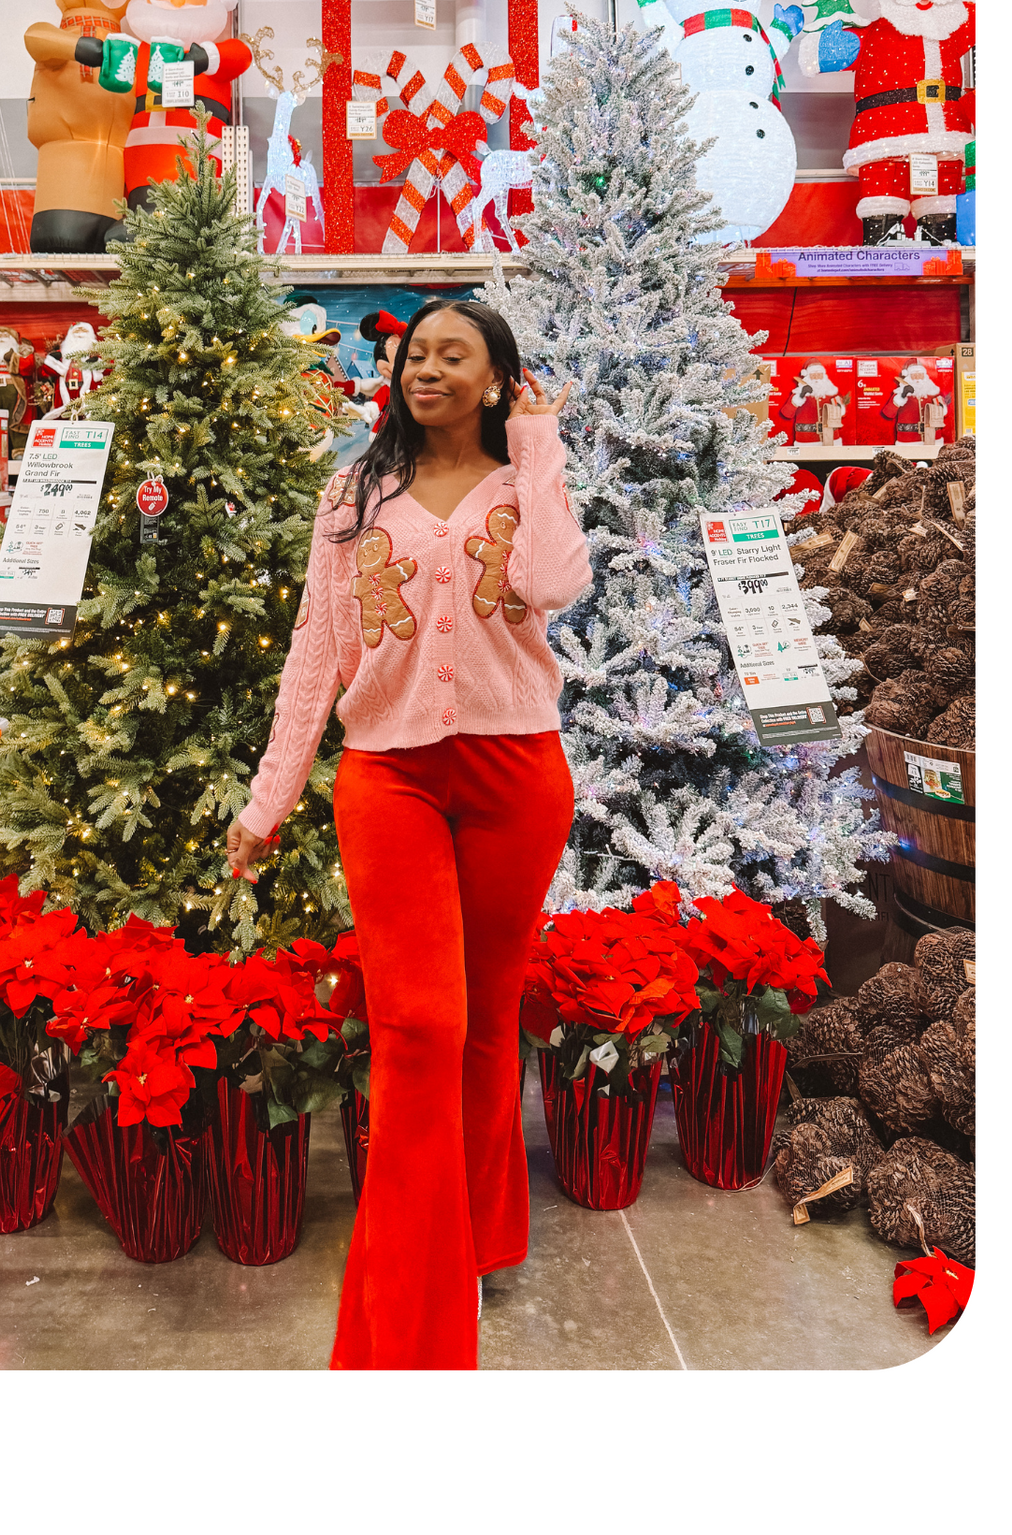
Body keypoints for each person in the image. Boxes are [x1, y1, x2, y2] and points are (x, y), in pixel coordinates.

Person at [225, 299, 591, 1369]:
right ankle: (409, 1317)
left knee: (483, 1023)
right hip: (388, 775)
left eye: (451, 355)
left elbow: (551, 582)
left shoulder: (526, 476)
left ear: (493, 378)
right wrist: (269, 798)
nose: (424, 368)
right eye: (412, 353)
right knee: (420, 1026)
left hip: (515, 771)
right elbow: (313, 650)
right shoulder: (354, 491)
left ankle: (475, 1234)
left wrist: (536, 445)